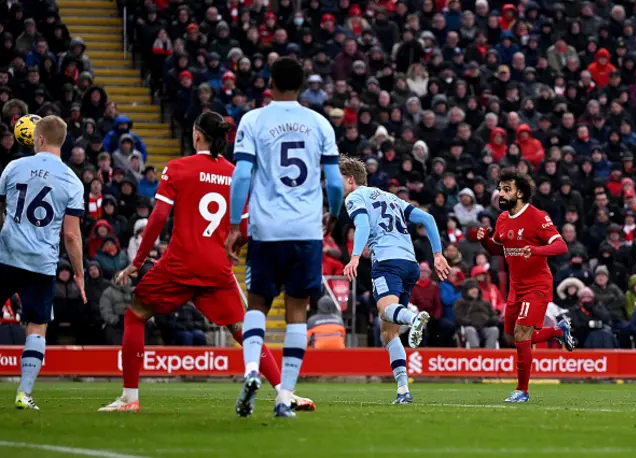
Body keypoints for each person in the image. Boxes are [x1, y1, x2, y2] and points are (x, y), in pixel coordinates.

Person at [100, 112, 314, 414]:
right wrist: (234, 247)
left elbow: (158, 217)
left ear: (198, 136)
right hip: (216, 268)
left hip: (180, 263)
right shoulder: (236, 174)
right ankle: (284, 392)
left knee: (135, 315)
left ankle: (129, 397)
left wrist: (137, 261)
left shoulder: (178, 168)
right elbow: (248, 226)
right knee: (243, 330)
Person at [226, 57, 343, 418]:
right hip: (306, 231)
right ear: (303, 84)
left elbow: (242, 176)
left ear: (270, 82)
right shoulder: (319, 123)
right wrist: (333, 216)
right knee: (296, 313)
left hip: (266, 229)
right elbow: (336, 183)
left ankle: (249, 372)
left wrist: (234, 226)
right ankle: (284, 397)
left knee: (258, 304)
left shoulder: (254, 120)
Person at [339, 157, 450, 403]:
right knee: (389, 332)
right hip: (409, 264)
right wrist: (438, 254)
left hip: (387, 262)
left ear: (350, 179)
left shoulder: (355, 197)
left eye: (339, 180)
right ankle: (403, 390)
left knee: (384, 308)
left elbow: (363, 225)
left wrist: (355, 256)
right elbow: (428, 220)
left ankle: (413, 318)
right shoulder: (391, 197)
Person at [0, 116, 86, 410]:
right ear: (62, 142)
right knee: (37, 327)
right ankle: (24, 394)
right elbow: (72, 236)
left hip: (6, 256)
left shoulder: (13, 167)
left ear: (37, 139)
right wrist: (79, 274)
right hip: (41, 264)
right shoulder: (72, 181)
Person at [478, 168, 573, 403]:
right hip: (515, 287)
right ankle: (559, 331)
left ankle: (522, 391)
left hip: (537, 285)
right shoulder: (501, 219)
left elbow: (561, 246)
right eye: (499, 188)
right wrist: (484, 242)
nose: (500, 193)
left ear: (520, 192)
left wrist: (536, 250)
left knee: (522, 335)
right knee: (514, 339)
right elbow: (499, 250)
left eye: (506, 189)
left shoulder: (537, 217)